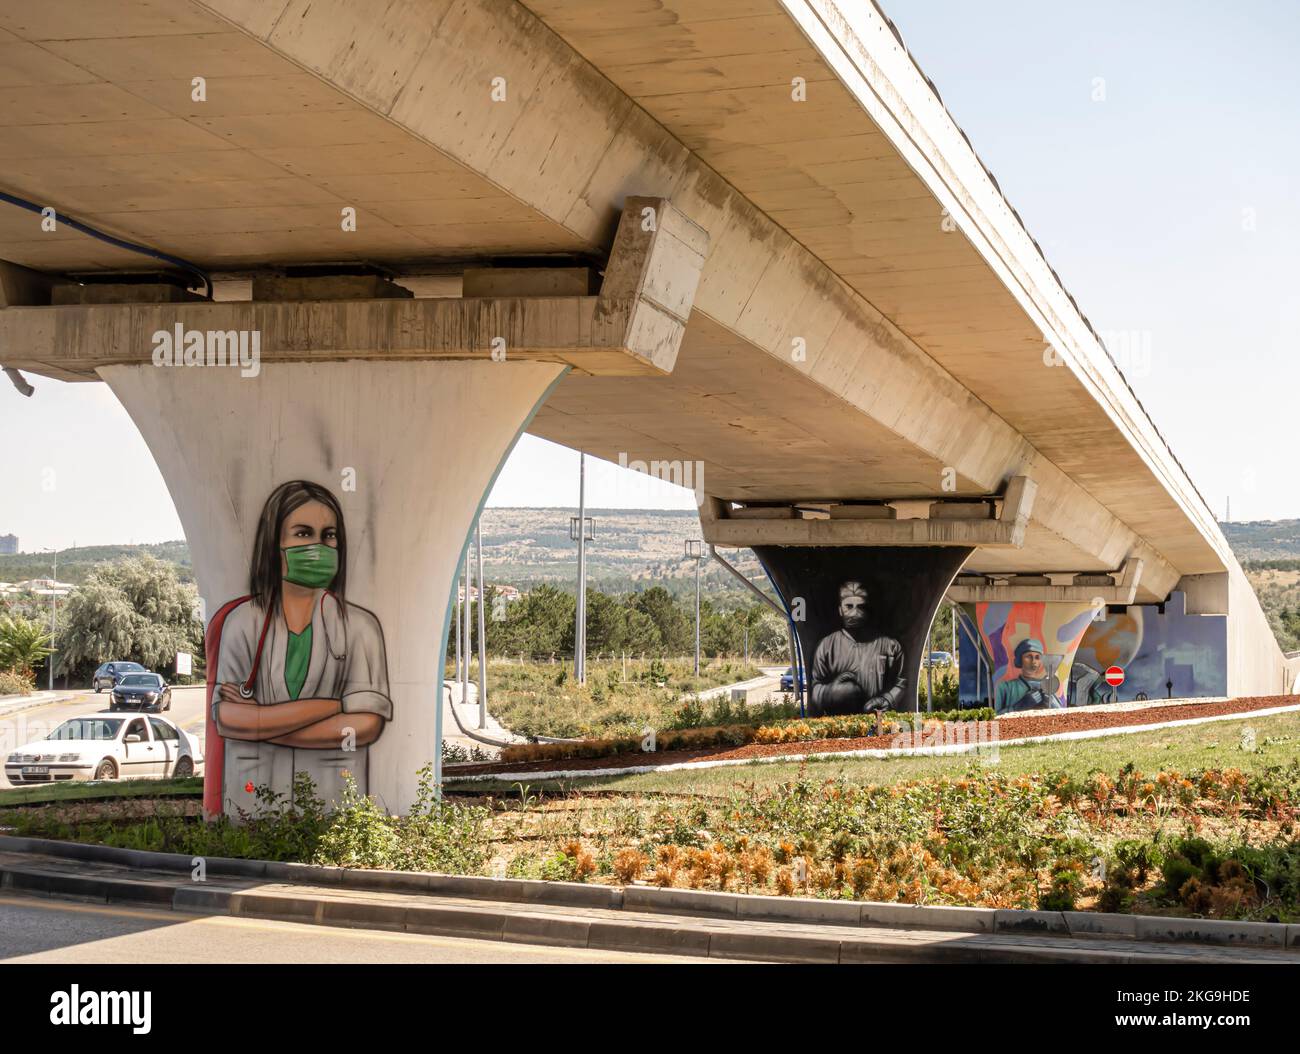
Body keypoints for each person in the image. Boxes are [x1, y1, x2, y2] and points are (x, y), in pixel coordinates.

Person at [210, 480, 392, 809]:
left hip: (334, 805)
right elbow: (228, 718)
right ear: (274, 544)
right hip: (251, 807)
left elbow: (365, 726)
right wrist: (336, 706)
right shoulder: (242, 623)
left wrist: (261, 724)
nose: (318, 546)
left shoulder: (360, 628)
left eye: (329, 535)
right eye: (304, 533)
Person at [810, 581, 906, 716]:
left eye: (860, 607)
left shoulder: (890, 646)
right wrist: (830, 692)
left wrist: (888, 700)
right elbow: (815, 686)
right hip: (838, 726)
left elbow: (902, 682)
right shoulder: (826, 646)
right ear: (840, 610)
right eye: (849, 606)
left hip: (879, 723)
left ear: (868, 610)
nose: (855, 613)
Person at [995, 638, 1061, 713]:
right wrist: (1019, 707)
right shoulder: (1005, 687)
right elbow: (995, 717)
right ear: (1020, 659)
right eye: (1029, 656)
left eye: (1037, 657)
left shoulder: (1047, 686)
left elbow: (1062, 715)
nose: (1033, 661)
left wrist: (1052, 703)